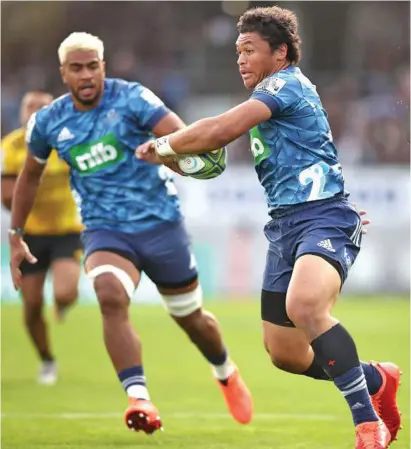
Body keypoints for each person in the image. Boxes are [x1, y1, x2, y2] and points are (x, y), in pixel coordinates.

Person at [136, 6, 402, 448]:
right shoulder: (266, 96)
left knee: (305, 306)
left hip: (325, 216)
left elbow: (220, 130)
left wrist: (162, 144)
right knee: (286, 353)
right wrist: (179, 158)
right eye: (237, 51)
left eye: (249, 50)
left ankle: (367, 425)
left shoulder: (286, 84)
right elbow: (211, 151)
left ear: (280, 53)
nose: (240, 59)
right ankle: (376, 378)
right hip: (285, 226)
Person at [8, 32, 253, 434]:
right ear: (63, 73)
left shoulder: (133, 99)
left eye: (93, 66)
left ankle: (225, 371)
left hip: (160, 225)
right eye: (77, 68)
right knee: (108, 293)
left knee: (192, 320)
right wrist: (16, 234)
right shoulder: (48, 122)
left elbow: (182, 136)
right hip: (106, 230)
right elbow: (29, 177)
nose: (86, 75)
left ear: (103, 66)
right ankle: (139, 397)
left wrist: (166, 149)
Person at [2, 90, 83, 385]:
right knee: (32, 305)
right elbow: (7, 196)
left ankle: (61, 306)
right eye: (30, 106)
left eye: (42, 107)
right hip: (30, 234)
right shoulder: (10, 147)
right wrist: (30, 180)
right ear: (21, 112)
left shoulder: (70, 140)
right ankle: (47, 360)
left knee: (66, 292)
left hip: (67, 230)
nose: (35, 111)